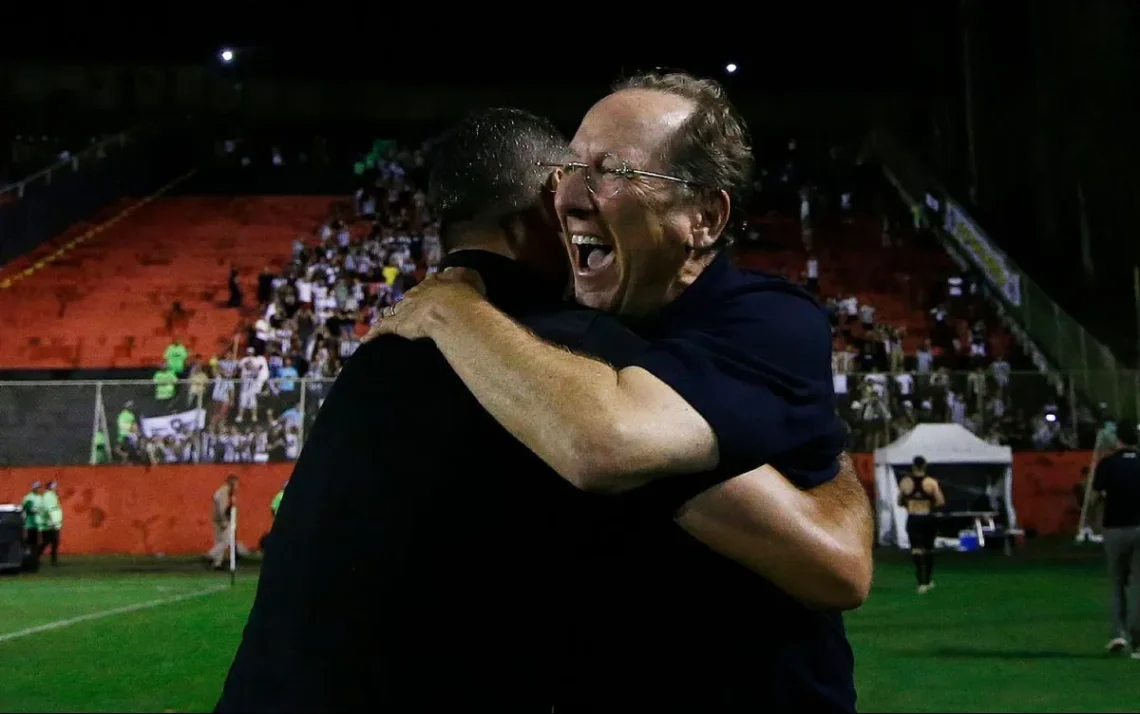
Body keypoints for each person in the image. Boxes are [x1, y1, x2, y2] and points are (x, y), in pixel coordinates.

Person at [217, 108, 870, 713]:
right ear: (547, 204)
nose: (586, 207)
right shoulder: (580, 363)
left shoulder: (377, 355)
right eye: (578, 185)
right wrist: (818, 443)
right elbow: (831, 563)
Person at [1091, 419, 1140, 657]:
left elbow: (1095, 497)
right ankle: (1138, 641)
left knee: (1118, 583)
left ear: (1118, 439)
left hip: (1115, 529)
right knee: (1138, 585)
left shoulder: (1107, 464)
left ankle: (1119, 633)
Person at [897, 456, 945, 593]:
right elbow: (940, 501)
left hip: (913, 518)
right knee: (929, 549)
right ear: (925, 466)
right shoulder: (931, 482)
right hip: (927, 517)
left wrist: (911, 503)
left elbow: (899, 502)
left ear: (913, 466)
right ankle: (928, 580)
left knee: (916, 549)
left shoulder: (906, 482)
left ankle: (920, 583)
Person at [207, 474, 249, 570]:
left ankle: (217, 564)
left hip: (219, 519)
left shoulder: (228, 492)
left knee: (219, 541)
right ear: (232, 483)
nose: (237, 486)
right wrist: (224, 522)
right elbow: (221, 509)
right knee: (226, 541)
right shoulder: (224, 493)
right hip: (222, 520)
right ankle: (211, 554)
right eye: (236, 484)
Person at [38, 480, 63, 566]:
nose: (56, 487)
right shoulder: (48, 496)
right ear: (50, 487)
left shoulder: (52, 495)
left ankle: (51, 560)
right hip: (50, 524)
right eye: (54, 486)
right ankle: (53, 561)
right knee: (51, 542)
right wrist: (52, 521)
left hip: (52, 524)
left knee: (49, 542)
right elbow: (49, 509)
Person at [21, 481, 44, 570]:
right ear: (33, 488)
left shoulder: (40, 497)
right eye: (37, 487)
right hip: (30, 523)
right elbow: (27, 509)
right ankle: (29, 559)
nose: (38, 489)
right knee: (30, 542)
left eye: (39, 487)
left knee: (36, 542)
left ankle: (34, 558)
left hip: (37, 523)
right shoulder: (29, 497)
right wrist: (33, 510)